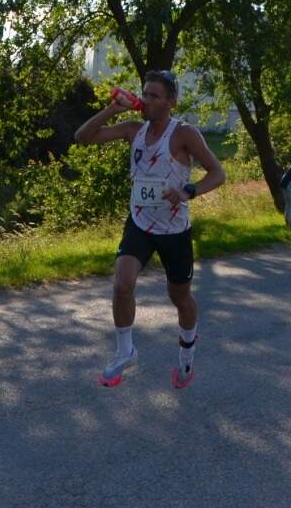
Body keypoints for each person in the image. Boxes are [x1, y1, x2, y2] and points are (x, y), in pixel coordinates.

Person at [73, 71, 227, 389]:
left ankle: (187, 351)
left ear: (171, 102)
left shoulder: (184, 133)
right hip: (140, 223)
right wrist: (112, 109)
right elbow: (82, 138)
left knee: (179, 296)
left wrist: (189, 191)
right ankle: (125, 351)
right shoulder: (133, 129)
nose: (147, 100)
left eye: (155, 96)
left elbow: (218, 173)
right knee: (122, 284)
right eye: (145, 94)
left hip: (174, 230)